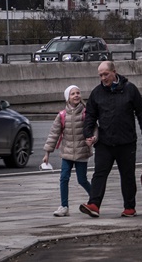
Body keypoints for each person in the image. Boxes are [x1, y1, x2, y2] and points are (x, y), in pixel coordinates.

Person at [78, 61, 142, 218]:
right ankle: (94, 204)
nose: (103, 78)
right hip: (104, 142)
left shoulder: (129, 89)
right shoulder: (97, 93)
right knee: (99, 173)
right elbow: (90, 116)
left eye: (106, 74)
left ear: (114, 72)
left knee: (127, 175)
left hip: (126, 142)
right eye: (100, 75)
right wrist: (88, 135)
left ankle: (129, 207)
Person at [41, 85, 94, 217]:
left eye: (78, 93)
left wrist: (93, 139)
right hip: (67, 153)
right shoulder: (62, 115)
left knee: (82, 180)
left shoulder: (86, 113)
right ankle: (64, 206)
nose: (76, 95)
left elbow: (94, 129)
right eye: (72, 94)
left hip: (82, 152)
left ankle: (95, 200)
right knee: (64, 178)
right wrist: (47, 153)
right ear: (67, 98)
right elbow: (53, 134)